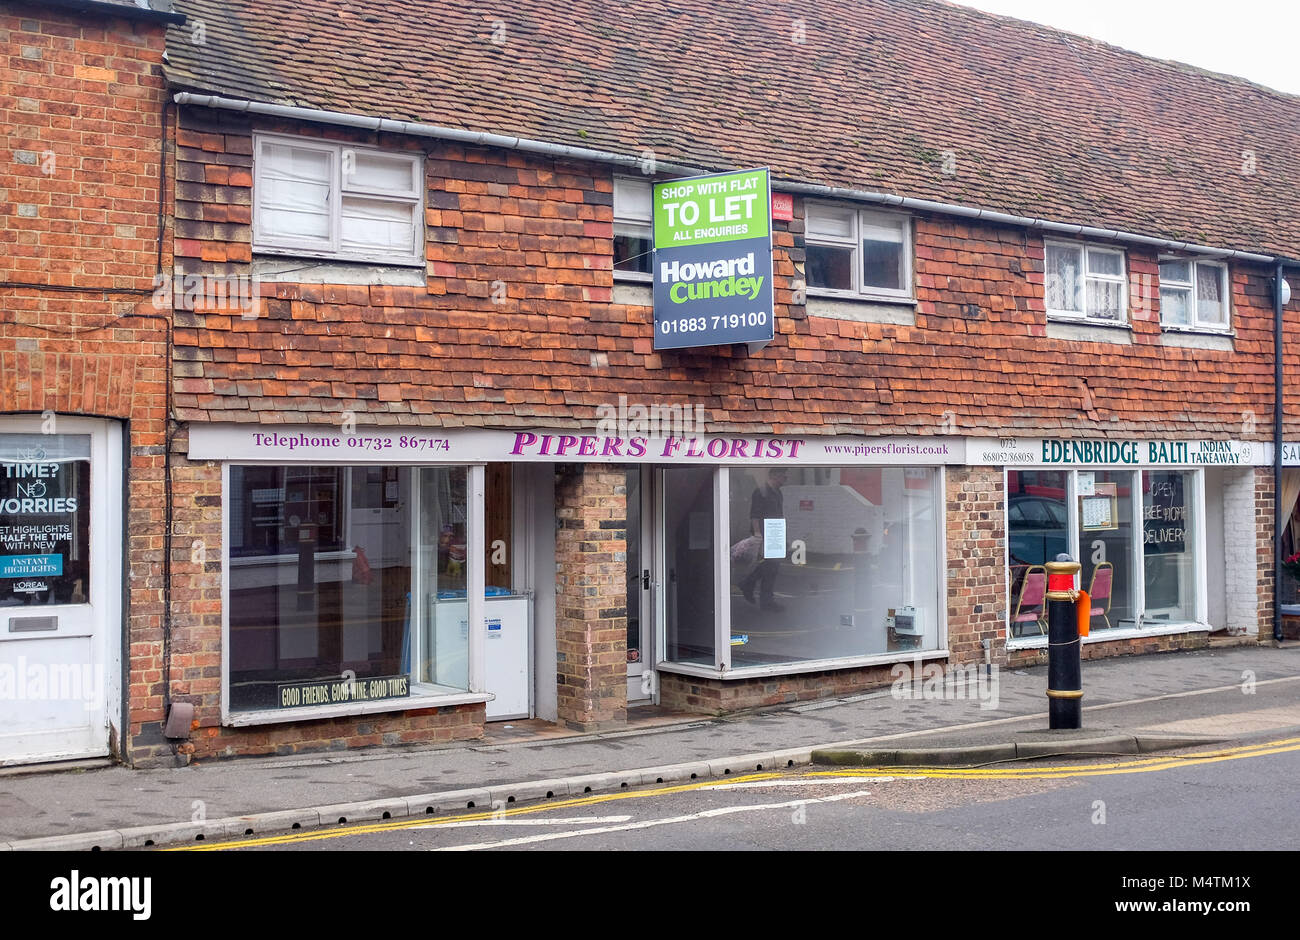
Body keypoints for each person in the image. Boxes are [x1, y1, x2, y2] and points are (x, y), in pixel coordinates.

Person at [740, 468, 787, 611]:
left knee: (772, 567)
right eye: (783, 476)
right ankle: (766, 600)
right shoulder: (761, 492)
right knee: (771, 566)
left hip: (775, 534)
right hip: (765, 535)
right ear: (774, 475)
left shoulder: (778, 492)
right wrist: (758, 535)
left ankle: (749, 584)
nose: (785, 479)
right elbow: (754, 515)